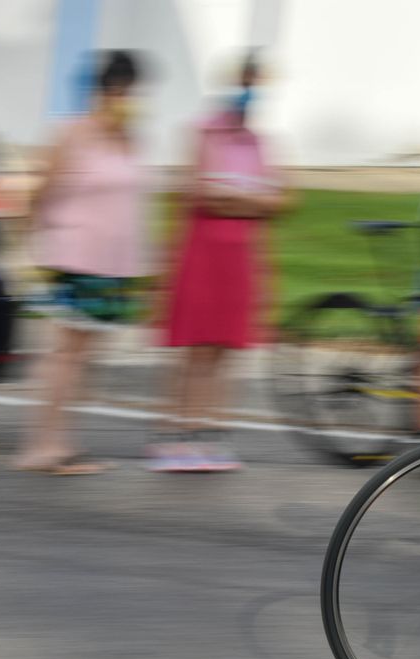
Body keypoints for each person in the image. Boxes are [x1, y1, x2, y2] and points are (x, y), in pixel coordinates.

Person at [153, 52, 291, 473]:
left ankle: (210, 432)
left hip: (241, 256)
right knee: (197, 348)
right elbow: (202, 193)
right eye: (245, 82)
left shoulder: (261, 143)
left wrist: (236, 197)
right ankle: (179, 434)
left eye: (257, 84)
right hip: (202, 252)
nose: (250, 92)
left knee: (226, 349)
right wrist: (252, 199)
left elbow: (282, 199)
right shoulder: (203, 133)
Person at [14, 50, 149, 475]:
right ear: (102, 91)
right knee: (65, 355)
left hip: (114, 264)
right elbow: (40, 192)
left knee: (83, 358)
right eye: (118, 90)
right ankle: (42, 447)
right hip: (75, 256)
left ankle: (63, 444)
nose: (124, 98)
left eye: (130, 90)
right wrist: (34, 243)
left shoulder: (130, 139)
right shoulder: (72, 133)